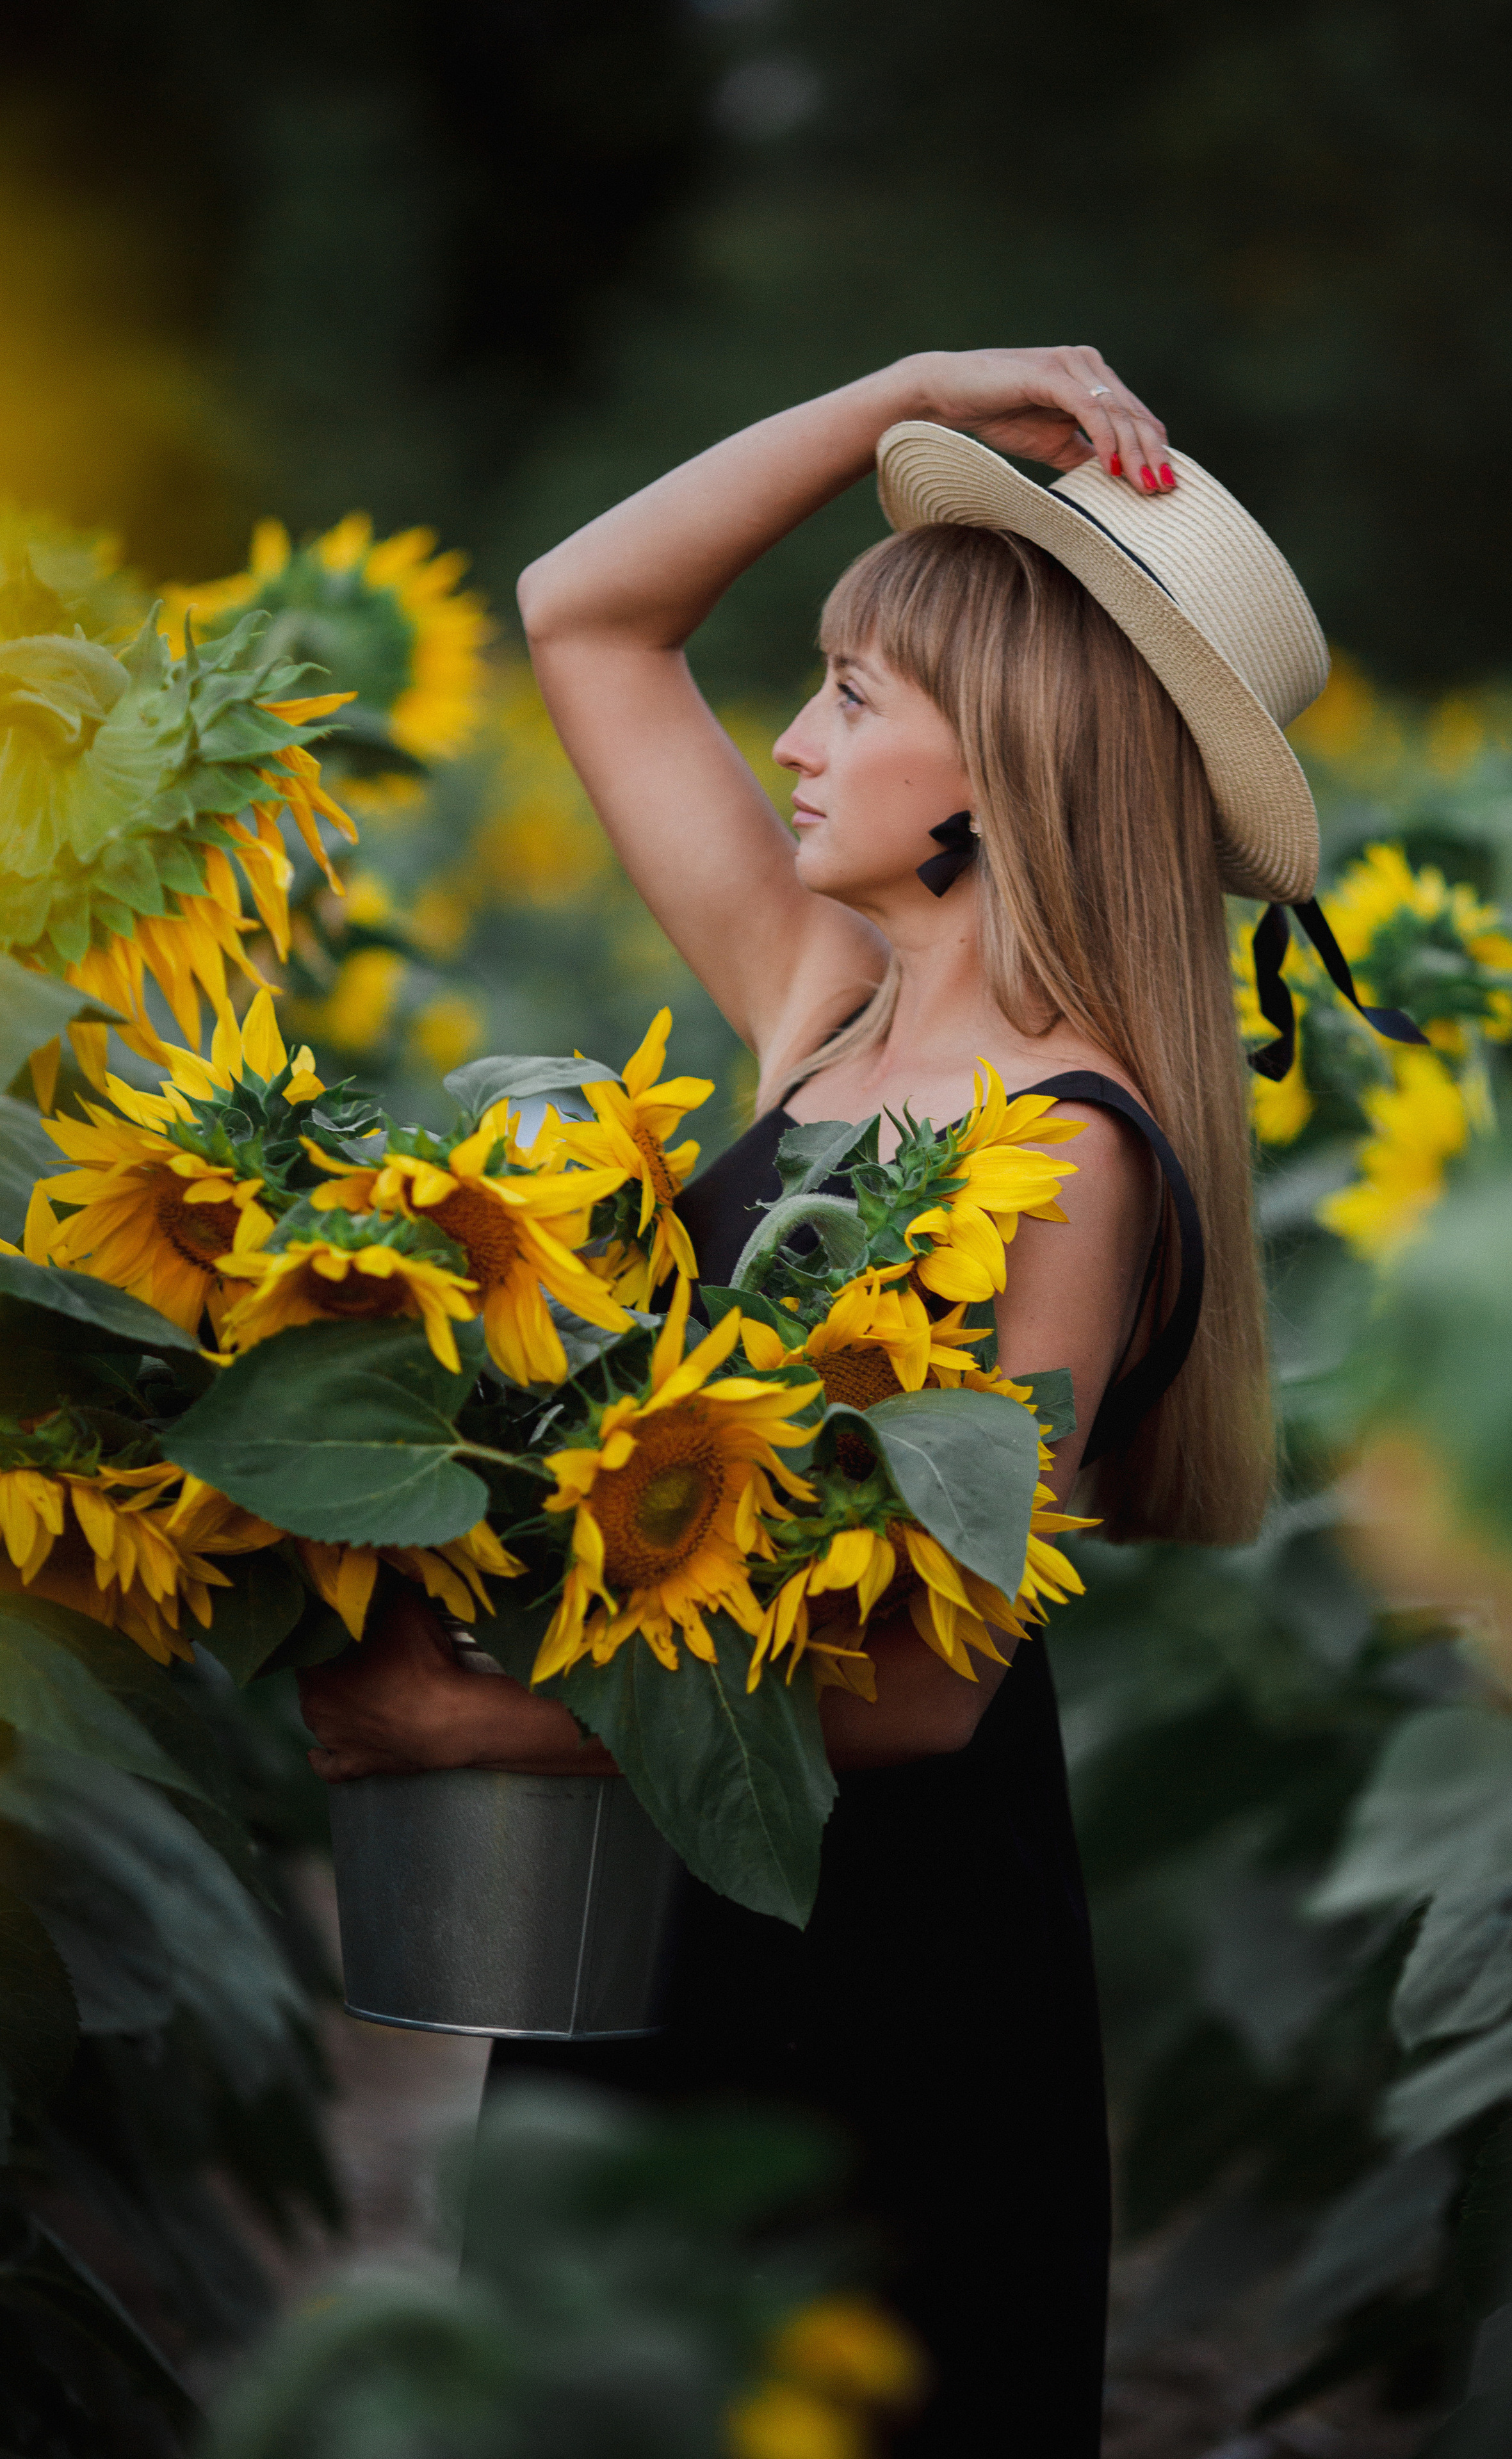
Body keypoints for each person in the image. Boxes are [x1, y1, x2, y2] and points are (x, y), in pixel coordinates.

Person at [298, 346, 1332, 2453]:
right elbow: (584, 610)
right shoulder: (817, 1016)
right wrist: (911, 395)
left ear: (1005, 763)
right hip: (657, 1916)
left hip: (880, 1990)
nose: (790, 740)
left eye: (854, 698)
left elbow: (932, 1686)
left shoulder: (1078, 1145)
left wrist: (463, 1722)